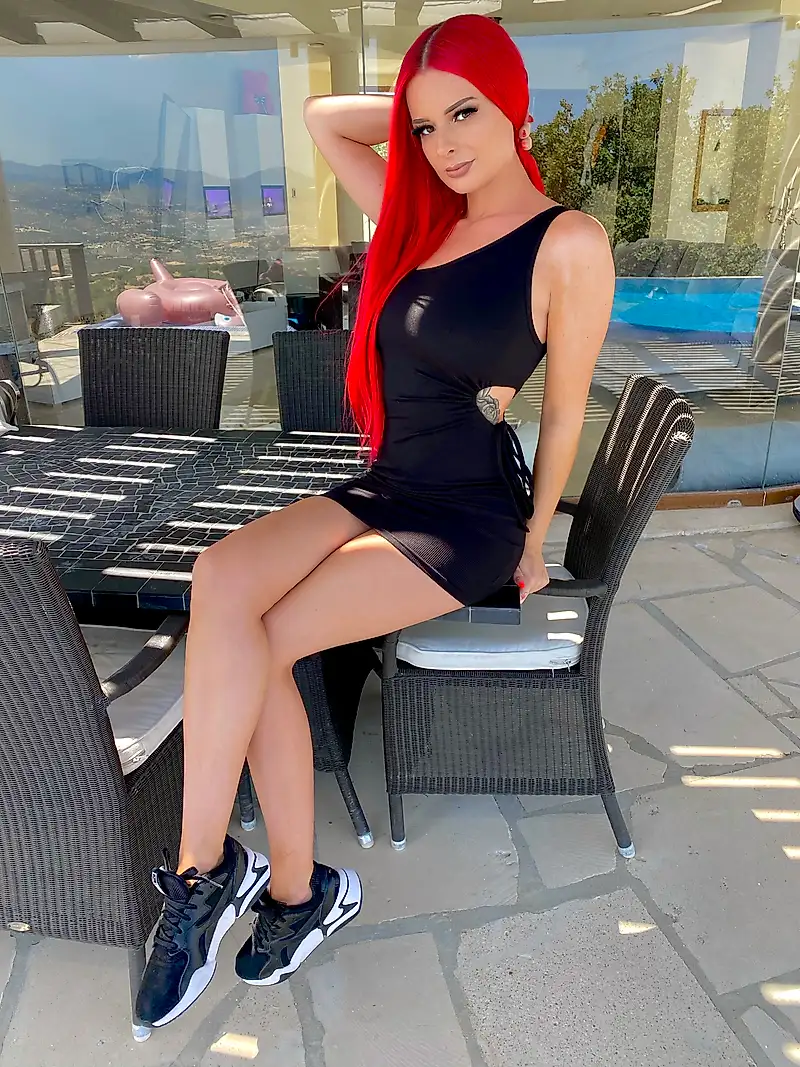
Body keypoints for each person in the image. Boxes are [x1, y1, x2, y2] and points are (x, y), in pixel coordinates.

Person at [135, 12, 615, 1029]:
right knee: (221, 578)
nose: (442, 145)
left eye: (465, 114)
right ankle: (257, 880)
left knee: (267, 637)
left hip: (466, 517)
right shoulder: (420, 217)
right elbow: (325, 119)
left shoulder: (566, 241)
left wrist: (535, 538)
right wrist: (417, 104)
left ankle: (224, 877)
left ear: (515, 108)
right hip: (384, 484)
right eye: (423, 126)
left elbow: (568, 408)